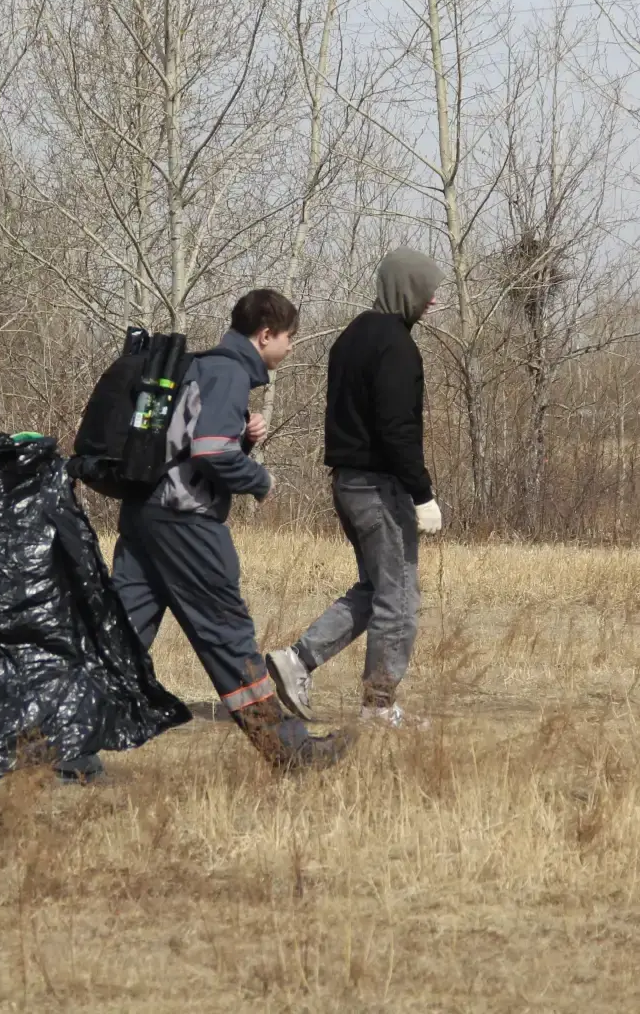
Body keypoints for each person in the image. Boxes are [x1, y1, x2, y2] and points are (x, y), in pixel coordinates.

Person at [108, 289, 351, 771]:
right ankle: (290, 751)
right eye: (289, 337)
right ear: (265, 335)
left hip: (144, 513)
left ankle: (48, 747)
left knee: (117, 635)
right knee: (229, 634)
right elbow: (210, 452)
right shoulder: (230, 372)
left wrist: (241, 437)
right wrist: (259, 479)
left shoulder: (202, 365)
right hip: (186, 523)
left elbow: (189, 440)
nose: (291, 347)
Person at [267, 249, 443, 729]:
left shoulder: (353, 335)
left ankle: (297, 661)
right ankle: (378, 706)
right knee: (399, 598)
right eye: (427, 291)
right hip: (380, 487)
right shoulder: (396, 346)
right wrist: (422, 493)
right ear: (406, 289)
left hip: (347, 483)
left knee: (375, 588)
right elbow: (396, 430)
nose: (431, 301)